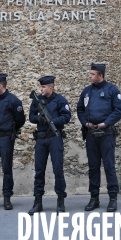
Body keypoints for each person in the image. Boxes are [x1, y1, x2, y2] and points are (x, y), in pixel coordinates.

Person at [77, 63, 121, 213]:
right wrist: (85, 123)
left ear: (100, 76)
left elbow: (118, 111)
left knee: (109, 166)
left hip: (106, 134)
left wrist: (105, 123)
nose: (89, 76)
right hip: (91, 134)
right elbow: (80, 109)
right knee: (93, 167)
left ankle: (112, 198)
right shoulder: (87, 91)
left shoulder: (112, 90)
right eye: (90, 74)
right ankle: (94, 198)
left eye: (92, 74)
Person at [28, 76, 71, 215]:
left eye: (44, 87)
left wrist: (52, 120)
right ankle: (38, 201)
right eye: (41, 87)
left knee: (58, 169)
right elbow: (31, 117)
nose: (41, 89)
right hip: (41, 139)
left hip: (54, 137)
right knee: (39, 170)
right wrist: (38, 118)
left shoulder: (60, 100)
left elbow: (66, 117)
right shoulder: (37, 101)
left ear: (50, 88)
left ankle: (60, 200)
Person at [0, 73, 25, 211]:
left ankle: (7, 198)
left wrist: (11, 130)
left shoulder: (14, 101)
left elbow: (20, 120)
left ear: (0, 85)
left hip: (6, 138)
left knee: (6, 168)